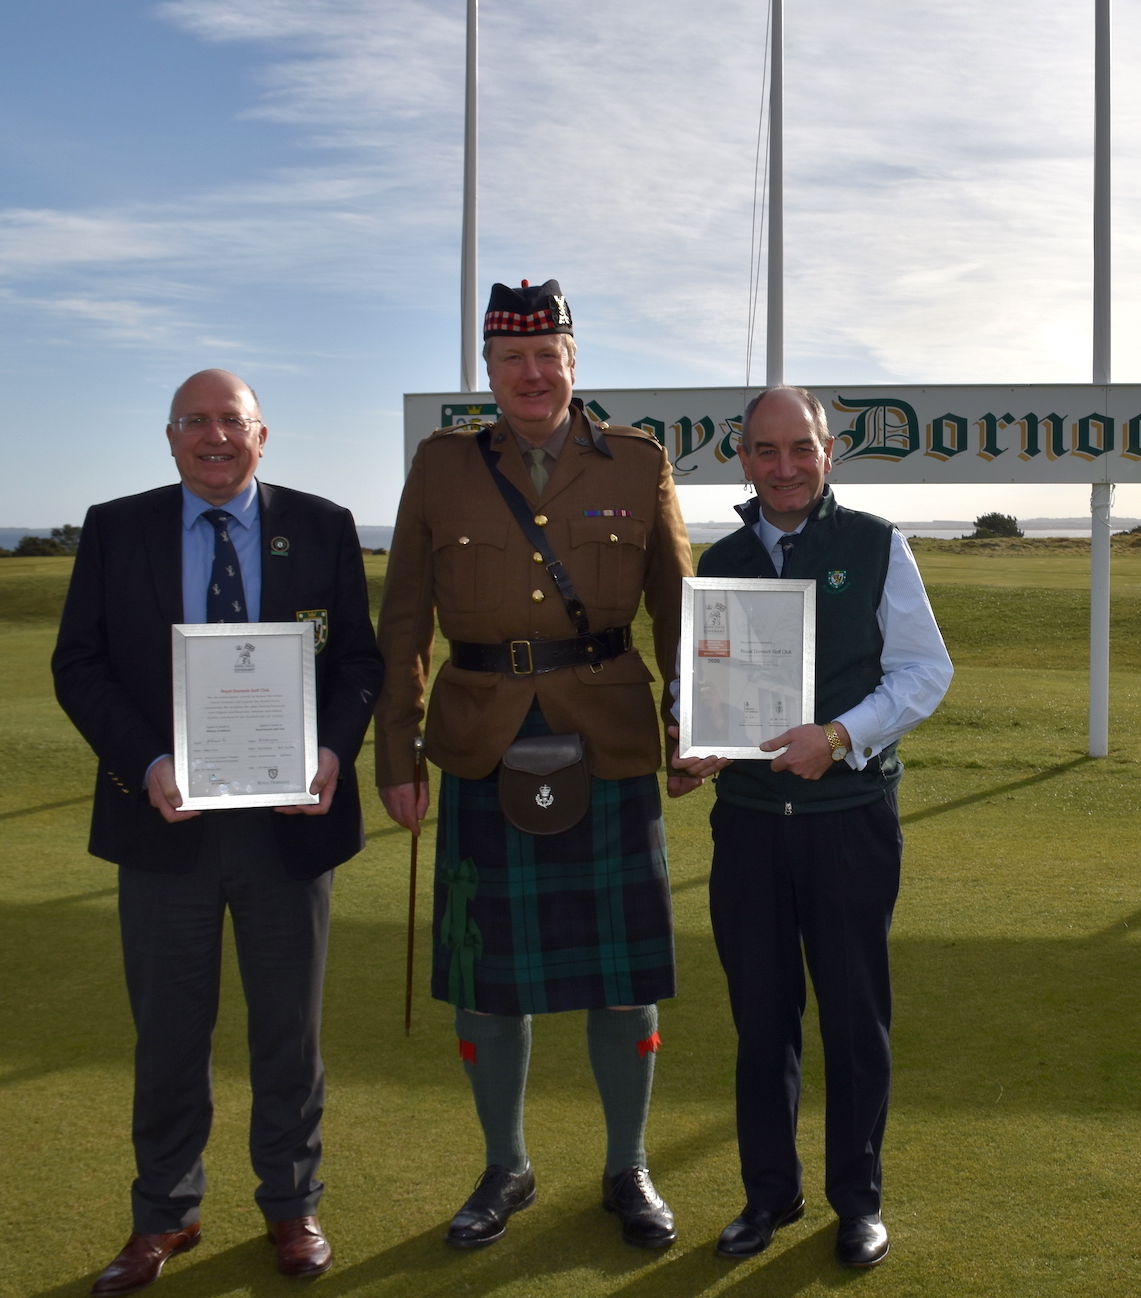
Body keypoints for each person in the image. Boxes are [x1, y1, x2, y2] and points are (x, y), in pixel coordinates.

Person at [375, 280, 694, 1251]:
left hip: (607, 738)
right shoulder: (442, 467)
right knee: (486, 979)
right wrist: (399, 747)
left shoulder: (638, 462)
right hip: (479, 741)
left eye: (546, 353)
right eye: (510, 357)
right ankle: (503, 1165)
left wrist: (692, 730)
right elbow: (403, 620)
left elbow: (680, 608)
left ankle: (627, 1166)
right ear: (486, 369)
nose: (530, 372)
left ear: (572, 360)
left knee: (621, 977)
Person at [52, 370, 382, 1294]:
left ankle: (291, 1203)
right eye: (195, 422)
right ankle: (164, 1214)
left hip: (289, 826)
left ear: (262, 435)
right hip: (163, 827)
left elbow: (360, 661)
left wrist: (332, 750)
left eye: (230, 421)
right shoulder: (117, 528)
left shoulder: (321, 524)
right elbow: (76, 665)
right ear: (169, 437)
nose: (214, 436)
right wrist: (148, 765)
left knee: (289, 1032)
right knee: (167, 1035)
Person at [673, 385, 953, 1269]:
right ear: (742, 459)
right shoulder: (718, 558)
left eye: (801, 448)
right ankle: (769, 1195)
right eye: (766, 450)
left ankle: (857, 1201)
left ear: (829, 453)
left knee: (855, 1017)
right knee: (761, 1020)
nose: (784, 466)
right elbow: (694, 688)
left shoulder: (874, 545)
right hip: (749, 828)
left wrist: (838, 737)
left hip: (848, 823)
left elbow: (922, 674)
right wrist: (691, 741)